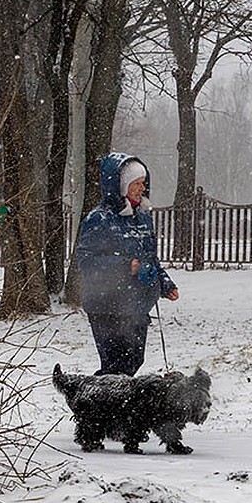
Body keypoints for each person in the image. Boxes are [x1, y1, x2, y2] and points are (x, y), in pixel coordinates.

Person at [75, 152, 180, 376]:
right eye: (136, 184)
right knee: (115, 369)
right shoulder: (99, 219)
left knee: (133, 362)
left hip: (136, 306)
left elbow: (150, 258)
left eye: (143, 183)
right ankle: (98, 406)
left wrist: (165, 284)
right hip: (107, 306)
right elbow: (85, 262)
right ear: (121, 186)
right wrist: (124, 267)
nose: (142, 188)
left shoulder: (142, 216)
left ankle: (111, 407)